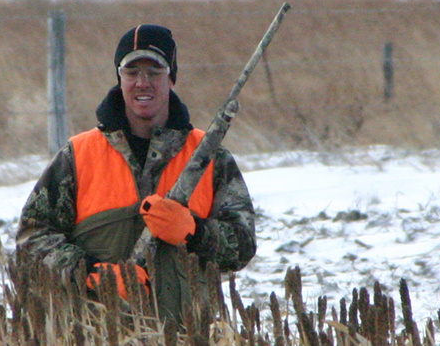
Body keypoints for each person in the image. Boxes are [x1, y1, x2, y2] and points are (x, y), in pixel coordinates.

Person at [14, 24, 258, 326]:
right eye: (132, 71)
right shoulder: (78, 155)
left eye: (154, 71)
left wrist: (194, 232)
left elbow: (243, 246)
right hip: (97, 332)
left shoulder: (209, 156)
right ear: (120, 78)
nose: (143, 82)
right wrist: (90, 273)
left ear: (171, 78)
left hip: (187, 332)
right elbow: (31, 240)